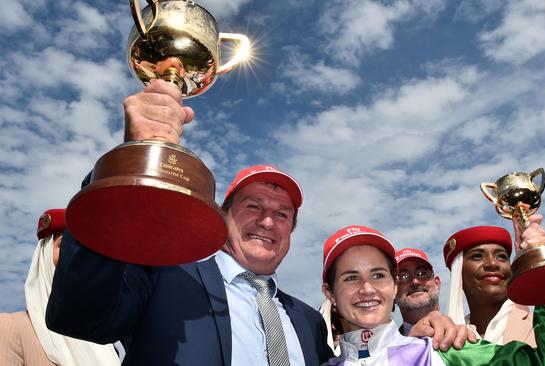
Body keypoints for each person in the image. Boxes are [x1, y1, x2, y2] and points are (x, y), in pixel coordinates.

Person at [46, 81, 468, 365]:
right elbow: (78, 316)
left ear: (291, 232)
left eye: (282, 214)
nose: (268, 221)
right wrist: (134, 159)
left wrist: (424, 326)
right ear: (224, 215)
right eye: (252, 207)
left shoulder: (308, 322)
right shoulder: (165, 275)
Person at [321, 225, 545, 365]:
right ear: (330, 293)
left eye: (378, 275)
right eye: (351, 277)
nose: (367, 288)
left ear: (392, 287)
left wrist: (544, 268)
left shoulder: (448, 351)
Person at [0, 209, 120, 366]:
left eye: (84, 250)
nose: (75, 255)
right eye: (64, 244)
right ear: (44, 254)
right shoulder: (11, 328)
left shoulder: (108, 346)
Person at [443, 223, 538, 346]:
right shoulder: (442, 338)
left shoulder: (542, 327)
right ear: (458, 273)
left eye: (501, 257)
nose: (493, 263)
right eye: (477, 256)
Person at [394, 248, 441, 336]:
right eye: (403, 277)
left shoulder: (470, 333)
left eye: (422, 273)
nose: (415, 281)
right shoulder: (384, 348)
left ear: (437, 283)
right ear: (392, 293)